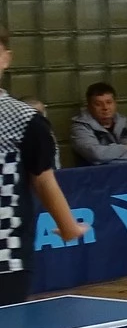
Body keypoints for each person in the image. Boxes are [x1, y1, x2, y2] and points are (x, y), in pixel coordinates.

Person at [0, 32, 87, 306]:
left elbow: (43, 179)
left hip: (5, 259)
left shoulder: (25, 120)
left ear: (6, 59)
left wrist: (67, 225)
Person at [69, 84, 127, 165]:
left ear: (115, 104)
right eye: (98, 104)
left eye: (109, 102)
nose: (105, 108)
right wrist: (124, 148)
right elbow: (96, 155)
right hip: (96, 174)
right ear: (89, 107)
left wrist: (106, 160)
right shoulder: (80, 127)